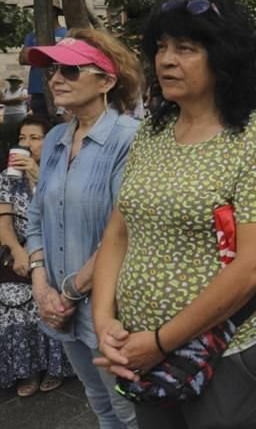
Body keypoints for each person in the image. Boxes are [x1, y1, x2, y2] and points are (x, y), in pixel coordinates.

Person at [91, 0, 256, 428]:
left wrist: (163, 340)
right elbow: (119, 232)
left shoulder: (255, 139)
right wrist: (104, 321)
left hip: (224, 350)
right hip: (139, 346)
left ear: (223, 59)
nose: (166, 60)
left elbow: (255, 265)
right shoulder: (154, 130)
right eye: (161, 47)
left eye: (185, 49)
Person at [24, 29, 142, 428]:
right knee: (98, 402)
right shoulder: (57, 136)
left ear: (106, 81)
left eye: (71, 70)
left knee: (129, 410)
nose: (56, 78)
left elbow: (123, 231)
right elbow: (37, 216)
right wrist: (41, 286)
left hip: (108, 308)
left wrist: (71, 292)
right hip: (59, 304)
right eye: (54, 69)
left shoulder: (129, 139)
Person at [0, 116, 73, 397]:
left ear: (51, 141)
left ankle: (56, 366)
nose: (26, 144)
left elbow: (64, 213)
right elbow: (3, 223)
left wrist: (37, 174)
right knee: (11, 295)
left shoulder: (61, 172)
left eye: (34, 138)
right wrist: (19, 253)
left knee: (56, 291)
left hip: (57, 249)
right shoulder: (7, 178)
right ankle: (26, 369)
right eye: (22, 138)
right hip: (18, 251)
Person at [19, 0, 68, 119]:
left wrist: (36, 52)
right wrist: (52, 52)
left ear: (53, 11)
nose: (36, 14)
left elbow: (65, 58)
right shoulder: (32, 35)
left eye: (39, 10)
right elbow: (23, 58)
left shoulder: (67, 34)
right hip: (37, 90)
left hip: (61, 88)